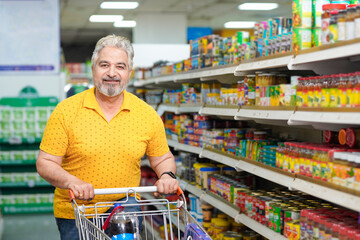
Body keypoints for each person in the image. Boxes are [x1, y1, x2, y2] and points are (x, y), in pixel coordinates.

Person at [36, 35, 179, 240]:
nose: (112, 73)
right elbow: (45, 162)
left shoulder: (147, 114)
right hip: (77, 214)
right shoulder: (66, 111)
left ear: (129, 73)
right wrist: (72, 181)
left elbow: (163, 158)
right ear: (93, 69)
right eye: (104, 65)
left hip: (126, 211)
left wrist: (166, 176)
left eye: (120, 66)